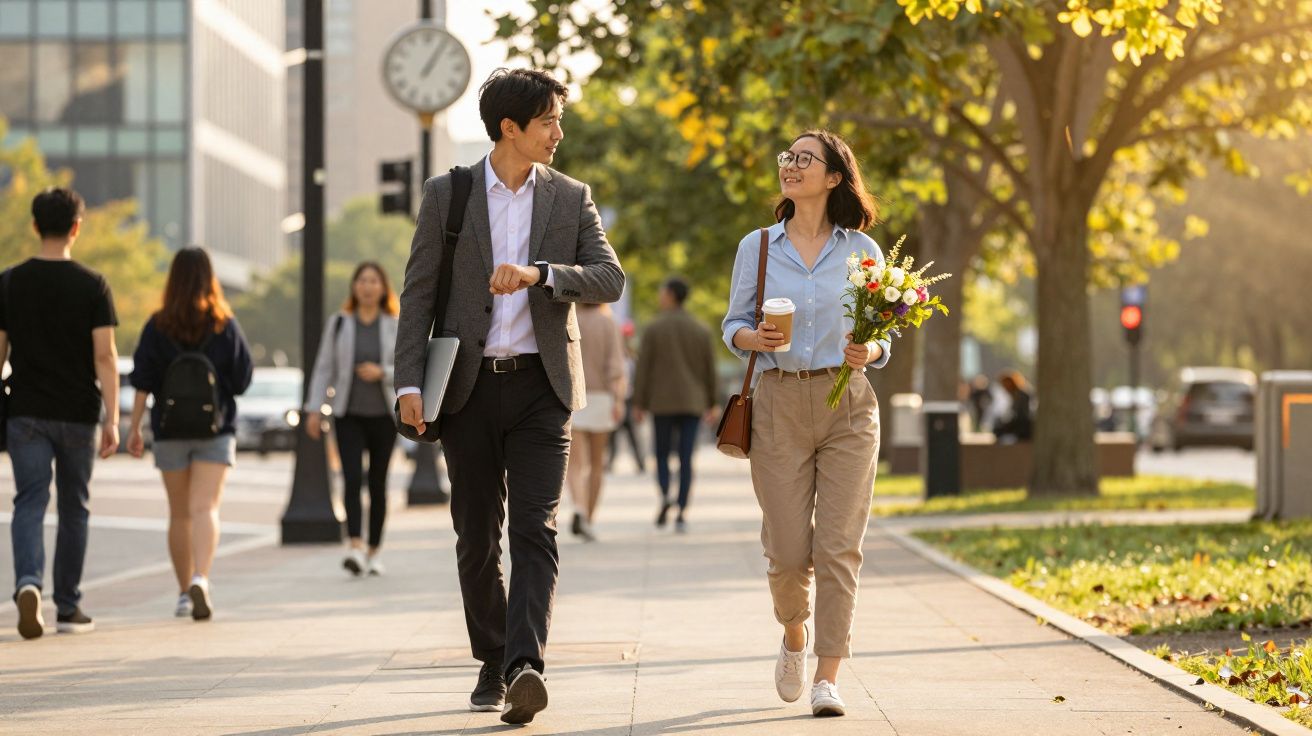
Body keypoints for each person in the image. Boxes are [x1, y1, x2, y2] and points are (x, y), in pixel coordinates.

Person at [394, 68, 624, 724]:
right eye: (549, 119)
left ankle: (526, 663)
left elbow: (609, 277)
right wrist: (410, 381)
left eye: (558, 118)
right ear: (510, 128)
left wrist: (540, 275)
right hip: (465, 388)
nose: (560, 131)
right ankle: (493, 657)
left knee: (535, 526)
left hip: (542, 388)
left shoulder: (570, 197)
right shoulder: (450, 195)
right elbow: (417, 293)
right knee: (475, 534)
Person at [722, 130, 891, 718]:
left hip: (848, 404)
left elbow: (883, 332)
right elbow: (732, 324)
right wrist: (753, 337)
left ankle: (828, 676)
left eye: (804, 159)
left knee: (840, 546)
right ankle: (794, 633)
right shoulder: (759, 247)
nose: (790, 166)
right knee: (790, 551)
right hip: (778, 401)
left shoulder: (863, 252)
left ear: (834, 177)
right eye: (786, 158)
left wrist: (870, 352)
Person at [0, 187, 118, 640]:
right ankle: (68, 607)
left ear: (34, 226)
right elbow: (105, 357)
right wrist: (111, 418)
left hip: (25, 410)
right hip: (77, 412)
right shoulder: (93, 284)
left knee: (29, 500)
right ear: (76, 227)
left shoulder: (9, 282)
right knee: (75, 507)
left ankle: (28, 582)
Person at [126, 247, 253, 621]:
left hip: (169, 430)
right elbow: (243, 378)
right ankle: (202, 576)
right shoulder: (223, 323)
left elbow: (143, 381)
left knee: (179, 513)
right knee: (206, 507)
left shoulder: (158, 325)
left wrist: (134, 427)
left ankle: (183, 593)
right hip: (215, 428)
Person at [304, 262, 400, 576]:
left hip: (385, 417)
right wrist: (315, 409)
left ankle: (374, 551)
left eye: (374, 280)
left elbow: (409, 365)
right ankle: (355, 547)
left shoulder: (393, 324)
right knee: (350, 479)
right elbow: (323, 368)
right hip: (348, 415)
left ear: (383, 287)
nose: (367, 286)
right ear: (354, 286)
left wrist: (381, 372)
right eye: (362, 280)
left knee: (378, 483)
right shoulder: (340, 324)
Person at [632, 276, 720, 533]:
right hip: (693, 403)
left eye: (662, 292)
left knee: (660, 454)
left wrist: (638, 402)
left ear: (670, 295)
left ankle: (665, 494)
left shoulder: (653, 328)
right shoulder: (701, 330)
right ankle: (681, 510)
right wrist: (713, 402)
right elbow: (709, 371)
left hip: (661, 402)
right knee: (685, 457)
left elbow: (643, 370)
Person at [565, 302, 625, 542]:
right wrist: (618, 399)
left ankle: (578, 507)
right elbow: (616, 366)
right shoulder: (608, 322)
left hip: (574, 395)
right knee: (598, 464)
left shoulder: (569, 318)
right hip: (602, 397)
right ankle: (589, 518)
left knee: (574, 464)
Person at [605, 328, 646, 473]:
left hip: (629, 400)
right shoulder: (613, 358)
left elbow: (639, 381)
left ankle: (641, 463)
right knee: (612, 435)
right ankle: (609, 463)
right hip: (614, 399)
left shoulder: (633, 359)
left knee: (634, 435)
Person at [993, 370, 1033, 443]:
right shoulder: (1016, 395)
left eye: (1005, 384)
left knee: (999, 429)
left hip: (1023, 423)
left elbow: (1021, 414)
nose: (1004, 387)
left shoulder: (1021, 395)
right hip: (1020, 422)